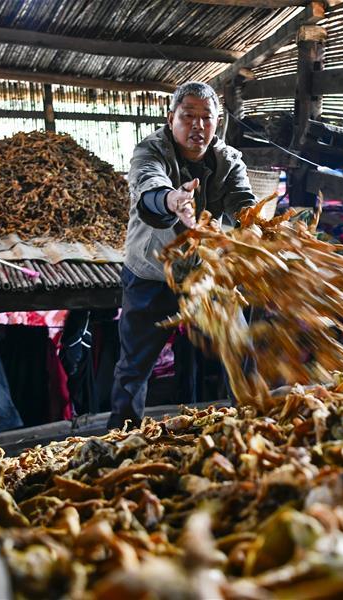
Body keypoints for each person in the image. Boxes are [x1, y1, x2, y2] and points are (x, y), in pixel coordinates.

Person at [109, 81, 256, 429]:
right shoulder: (151, 151)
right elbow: (149, 186)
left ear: (217, 122)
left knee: (241, 351)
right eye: (188, 116)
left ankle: (250, 428)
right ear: (171, 117)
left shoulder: (229, 160)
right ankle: (119, 439)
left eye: (207, 118)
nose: (198, 125)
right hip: (152, 273)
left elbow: (243, 202)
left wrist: (255, 224)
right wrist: (173, 200)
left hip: (207, 274)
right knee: (134, 368)